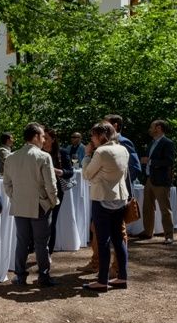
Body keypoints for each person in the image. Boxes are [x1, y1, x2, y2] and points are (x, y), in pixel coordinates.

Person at [79, 114, 141, 274]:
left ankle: (115, 269)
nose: (91, 138)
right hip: (111, 194)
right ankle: (97, 263)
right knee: (98, 230)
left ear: (113, 126)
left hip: (113, 196)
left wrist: (115, 183)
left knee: (116, 235)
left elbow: (133, 168)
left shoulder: (123, 143)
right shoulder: (108, 148)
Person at [3, 123, 59, 287]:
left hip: (20, 205)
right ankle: (43, 276)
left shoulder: (11, 157)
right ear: (35, 137)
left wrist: (15, 197)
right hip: (40, 205)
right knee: (41, 243)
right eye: (42, 136)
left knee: (22, 242)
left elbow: (7, 184)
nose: (44, 140)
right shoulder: (43, 157)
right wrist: (53, 201)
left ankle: (20, 276)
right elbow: (51, 185)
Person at [81, 122, 129, 291]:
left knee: (103, 240)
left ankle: (102, 281)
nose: (92, 139)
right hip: (120, 198)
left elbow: (87, 174)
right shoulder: (123, 149)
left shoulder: (100, 152)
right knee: (118, 239)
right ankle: (122, 277)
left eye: (93, 136)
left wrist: (87, 155)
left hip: (102, 199)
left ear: (101, 135)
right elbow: (123, 175)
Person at [139, 119, 175, 243]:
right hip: (150, 179)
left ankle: (169, 236)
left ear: (158, 128)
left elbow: (169, 161)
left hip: (161, 181)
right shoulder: (152, 143)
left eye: (152, 127)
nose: (150, 129)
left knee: (165, 209)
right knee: (147, 207)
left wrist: (150, 161)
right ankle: (148, 232)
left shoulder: (167, 143)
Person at [42, 128, 74, 254]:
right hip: (39, 190)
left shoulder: (62, 153)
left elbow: (69, 172)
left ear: (53, 139)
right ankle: (36, 248)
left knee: (51, 221)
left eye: (46, 138)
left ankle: (48, 252)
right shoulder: (37, 152)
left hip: (56, 191)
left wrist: (56, 171)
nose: (43, 140)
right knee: (38, 221)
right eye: (42, 137)